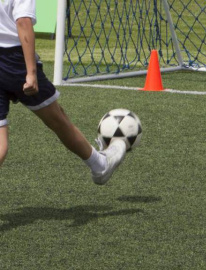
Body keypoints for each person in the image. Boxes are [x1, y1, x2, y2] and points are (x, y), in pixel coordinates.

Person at [0, 0, 126, 185]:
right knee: (57, 118)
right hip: (14, 61)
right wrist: (31, 72)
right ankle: (100, 165)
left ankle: (99, 164)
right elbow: (23, 22)